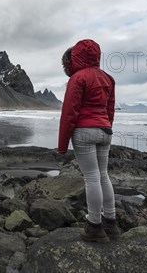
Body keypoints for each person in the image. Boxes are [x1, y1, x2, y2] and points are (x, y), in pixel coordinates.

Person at [58, 39, 120, 242]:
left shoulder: (78, 78)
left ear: (75, 58)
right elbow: (109, 109)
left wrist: (62, 145)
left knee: (91, 177)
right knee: (103, 175)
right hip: (104, 129)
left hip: (84, 131)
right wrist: (106, 128)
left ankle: (94, 225)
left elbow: (69, 112)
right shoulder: (108, 78)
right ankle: (111, 222)